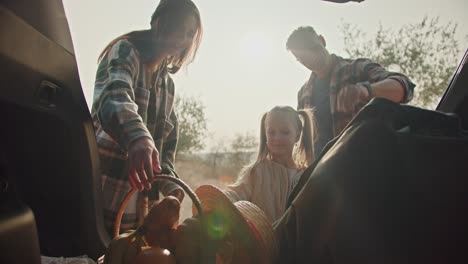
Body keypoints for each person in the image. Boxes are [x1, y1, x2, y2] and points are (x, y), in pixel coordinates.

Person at [91, 0, 203, 233]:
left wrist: (171, 184)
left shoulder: (168, 86)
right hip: (103, 185)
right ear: (158, 21)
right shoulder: (126, 51)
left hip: (138, 204)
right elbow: (115, 95)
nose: (181, 38)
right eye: (177, 27)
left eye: (189, 33)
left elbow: (165, 147)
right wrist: (138, 137)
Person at [286, 26, 415, 156]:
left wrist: (366, 90)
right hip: (321, 171)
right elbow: (301, 142)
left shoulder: (357, 69)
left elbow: (404, 86)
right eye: (303, 58)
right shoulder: (303, 94)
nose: (312, 59)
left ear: (322, 40)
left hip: (365, 162)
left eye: (313, 49)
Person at [222, 106, 315, 222]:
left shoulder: (307, 177)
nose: (277, 138)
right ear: (265, 135)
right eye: (271, 132)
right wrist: (220, 200)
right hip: (261, 239)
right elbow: (236, 194)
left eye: (285, 132)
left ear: (297, 135)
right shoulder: (256, 171)